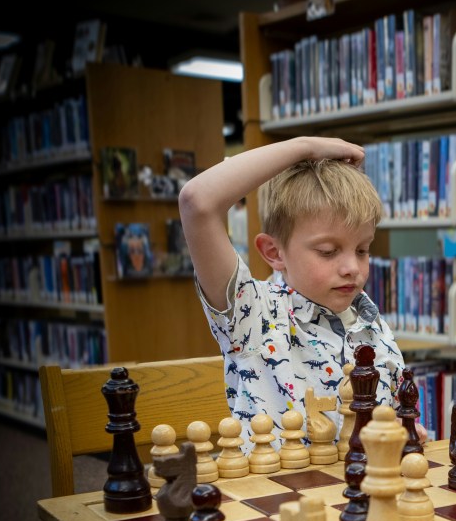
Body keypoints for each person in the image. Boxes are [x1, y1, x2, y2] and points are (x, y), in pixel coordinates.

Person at [178, 136, 425, 448]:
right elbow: (196, 202)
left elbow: (396, 416)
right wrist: (306, 147)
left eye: (363, 250)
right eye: (327, 251)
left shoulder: (370, 324)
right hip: (279, 479)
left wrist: (404, 431)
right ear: (274, 252)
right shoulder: (253, 314)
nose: (352, 267)